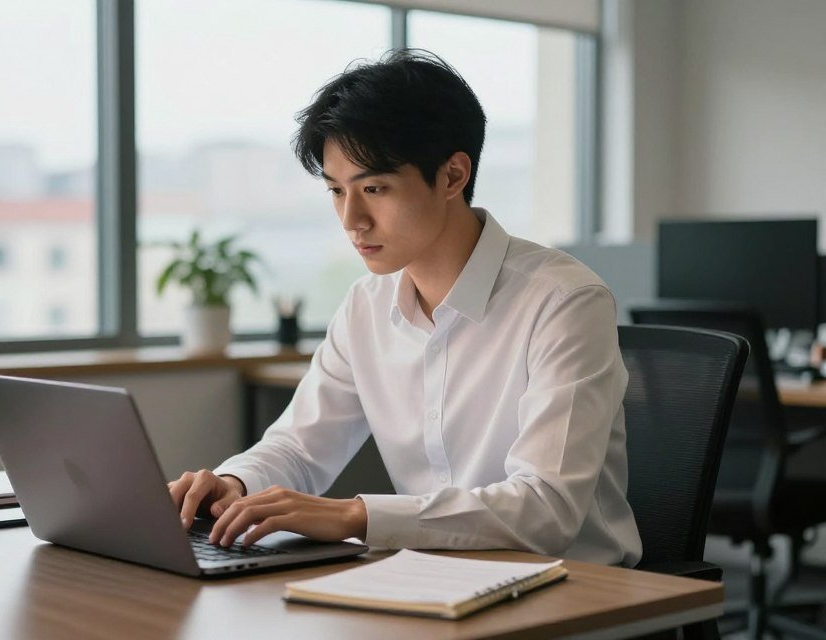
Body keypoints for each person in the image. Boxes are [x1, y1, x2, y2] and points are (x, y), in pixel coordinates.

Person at [168, 49, 642, 566]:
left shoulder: (563, 302)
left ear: (453, 176)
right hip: (428, 580)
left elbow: (547, 508)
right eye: (335, 191)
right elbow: (302, 446)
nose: (352, 220)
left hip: (576, 591)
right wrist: (234, 482)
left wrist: (357, 516)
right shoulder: (365, 307)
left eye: (374, 188)